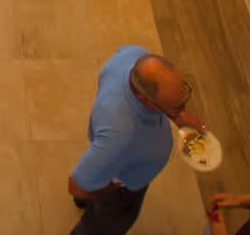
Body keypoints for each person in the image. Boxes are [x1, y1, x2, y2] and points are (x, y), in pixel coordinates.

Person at [67, 47, 207, 235]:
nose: (184, 107)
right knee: (104, 226)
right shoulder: (119, 136)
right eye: (175, 107)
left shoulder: (133, 55)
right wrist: (112, 188)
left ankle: (87, 201)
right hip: (120, 186)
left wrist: (179, 117)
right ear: (145, 100)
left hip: (113, 155)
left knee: (99, 168)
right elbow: (77, 185)